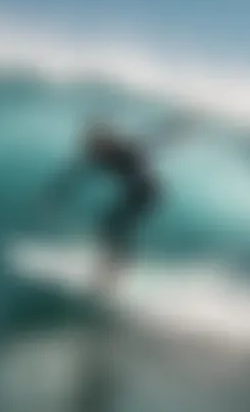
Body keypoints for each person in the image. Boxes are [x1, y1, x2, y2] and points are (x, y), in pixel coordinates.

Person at [43, 116, 190, 295]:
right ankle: (110, 271)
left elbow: (156, 139)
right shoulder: (98, 155)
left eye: (95, 141)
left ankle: (114, 273)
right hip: (136, 194)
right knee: (109, 227)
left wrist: (179, 126)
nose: (91, 146)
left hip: (148, 192)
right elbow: (75, 175)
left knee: (112, 226)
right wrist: (55, 194)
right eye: (91, 142)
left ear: (105, 140)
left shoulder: (124, 149)